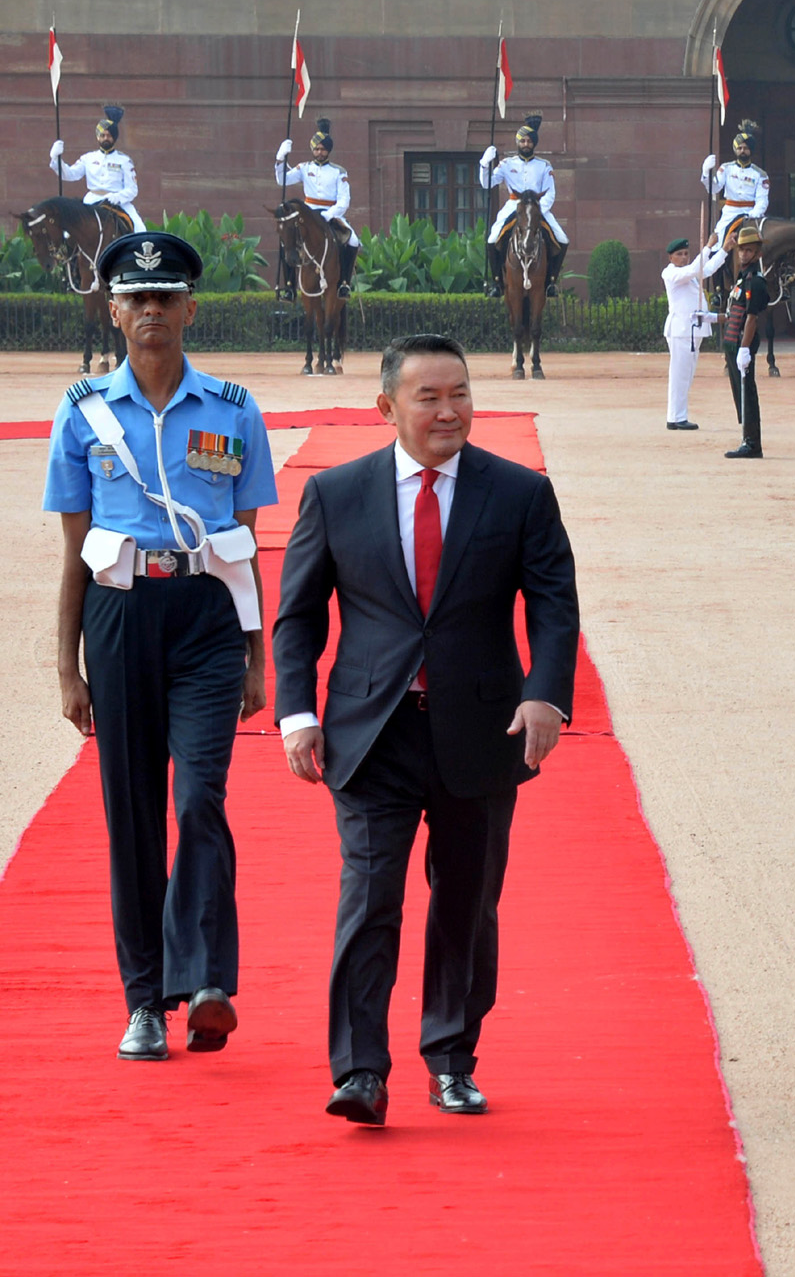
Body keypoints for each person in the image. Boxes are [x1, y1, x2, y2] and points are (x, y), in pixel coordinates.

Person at [272, 334, 580, 1125]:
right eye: (429, 397)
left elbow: (552, 604)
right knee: (369, 899)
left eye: (461, 394)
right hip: (370, 732)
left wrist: (547, 695)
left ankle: (451, 1059)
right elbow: (299, 616)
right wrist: (297, 711)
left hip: (482, 730)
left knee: (466, 901)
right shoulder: (336, 494)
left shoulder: (518, 493)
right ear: (387, 408)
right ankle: (361, 1072)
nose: (449, 411)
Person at [43, 230, 275, 1061]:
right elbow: (74, 547)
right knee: (133, 815)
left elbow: (247, 540)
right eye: (136, 299)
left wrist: (256, 658)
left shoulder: (235, 409)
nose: (151, 310)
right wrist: (66, 665)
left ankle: (207, 980)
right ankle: (145, 1000)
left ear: (190, 308)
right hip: (118, 619)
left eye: (165, 297)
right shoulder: (81, 412)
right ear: (113, 311)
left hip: (208, 619)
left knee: (198, 799)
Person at [479, 113, 568, 297]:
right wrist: (484, 165)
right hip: (514, 205)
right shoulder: (506, 164)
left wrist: (536, 210)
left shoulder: (544, 166)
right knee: (492, 238)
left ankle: (551, 282)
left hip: (537, 207)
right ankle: (497, 283)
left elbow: (550, 192)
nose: (525, 144)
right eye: (522, 141)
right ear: (517, 142)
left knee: (562, 239)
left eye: (529, 141)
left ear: (534, 143)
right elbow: (487, 183)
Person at [273, 117, 360, 299]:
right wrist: (280, 158)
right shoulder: (304, 168)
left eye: (323, 149)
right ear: (312, 150)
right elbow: (282, 180)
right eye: (317, 149)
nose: (319, 152)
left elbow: (344, 200)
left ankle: (344, 283)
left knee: (352, 240)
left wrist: (330, 214)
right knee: (286, 240)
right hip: (308, 213)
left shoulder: (339, 171)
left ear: (328, 150)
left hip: (330, 213)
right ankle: (289, 287)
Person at [661, 236, 724, 431]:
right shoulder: (671, 273)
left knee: (686, 375)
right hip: (681, 331)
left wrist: (725, 250)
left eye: (686, 254)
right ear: (670, 257)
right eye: (679, 254)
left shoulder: (690, 274)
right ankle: (676, 417)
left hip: (692, 330)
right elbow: (695, 269)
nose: (684, 257)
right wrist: (707, 247)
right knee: (680, 375)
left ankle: (677, 415)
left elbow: (707, 269)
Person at [51, 104, 147, 232]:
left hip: (118, 202)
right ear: (98, 137)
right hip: (92, 200)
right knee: (69, 230)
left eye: (109, 135)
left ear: (114, 137)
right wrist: (56, 158)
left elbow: (132, 189)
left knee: (140, 229)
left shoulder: (124, 161)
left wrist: (118, 197)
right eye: (102, 135)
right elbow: (69, 174)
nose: (105, 138)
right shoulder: (88, 158)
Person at [722, 223, 768, 460]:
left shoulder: (755, 281)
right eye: (741, 250)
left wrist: (744, 349)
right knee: (740, 392)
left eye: (749, 250)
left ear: (758, 253)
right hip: (734, 340)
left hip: (743, 342)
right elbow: (736, 311)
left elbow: (751, 318)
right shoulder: (743, 277)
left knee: (746, 392)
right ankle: (747, 439)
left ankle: (752, 443)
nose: (743, 254)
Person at [703, 128, 769, 248]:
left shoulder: (760, 174)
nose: (742, 151)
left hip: (751, 212)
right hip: (730, 212)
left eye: (746, 148)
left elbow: (762, 200)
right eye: (739, 148)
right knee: (717, 241)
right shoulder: (726, 168)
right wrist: (706, 172)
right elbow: (714, 189)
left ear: (751, 150)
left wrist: (754, 214)